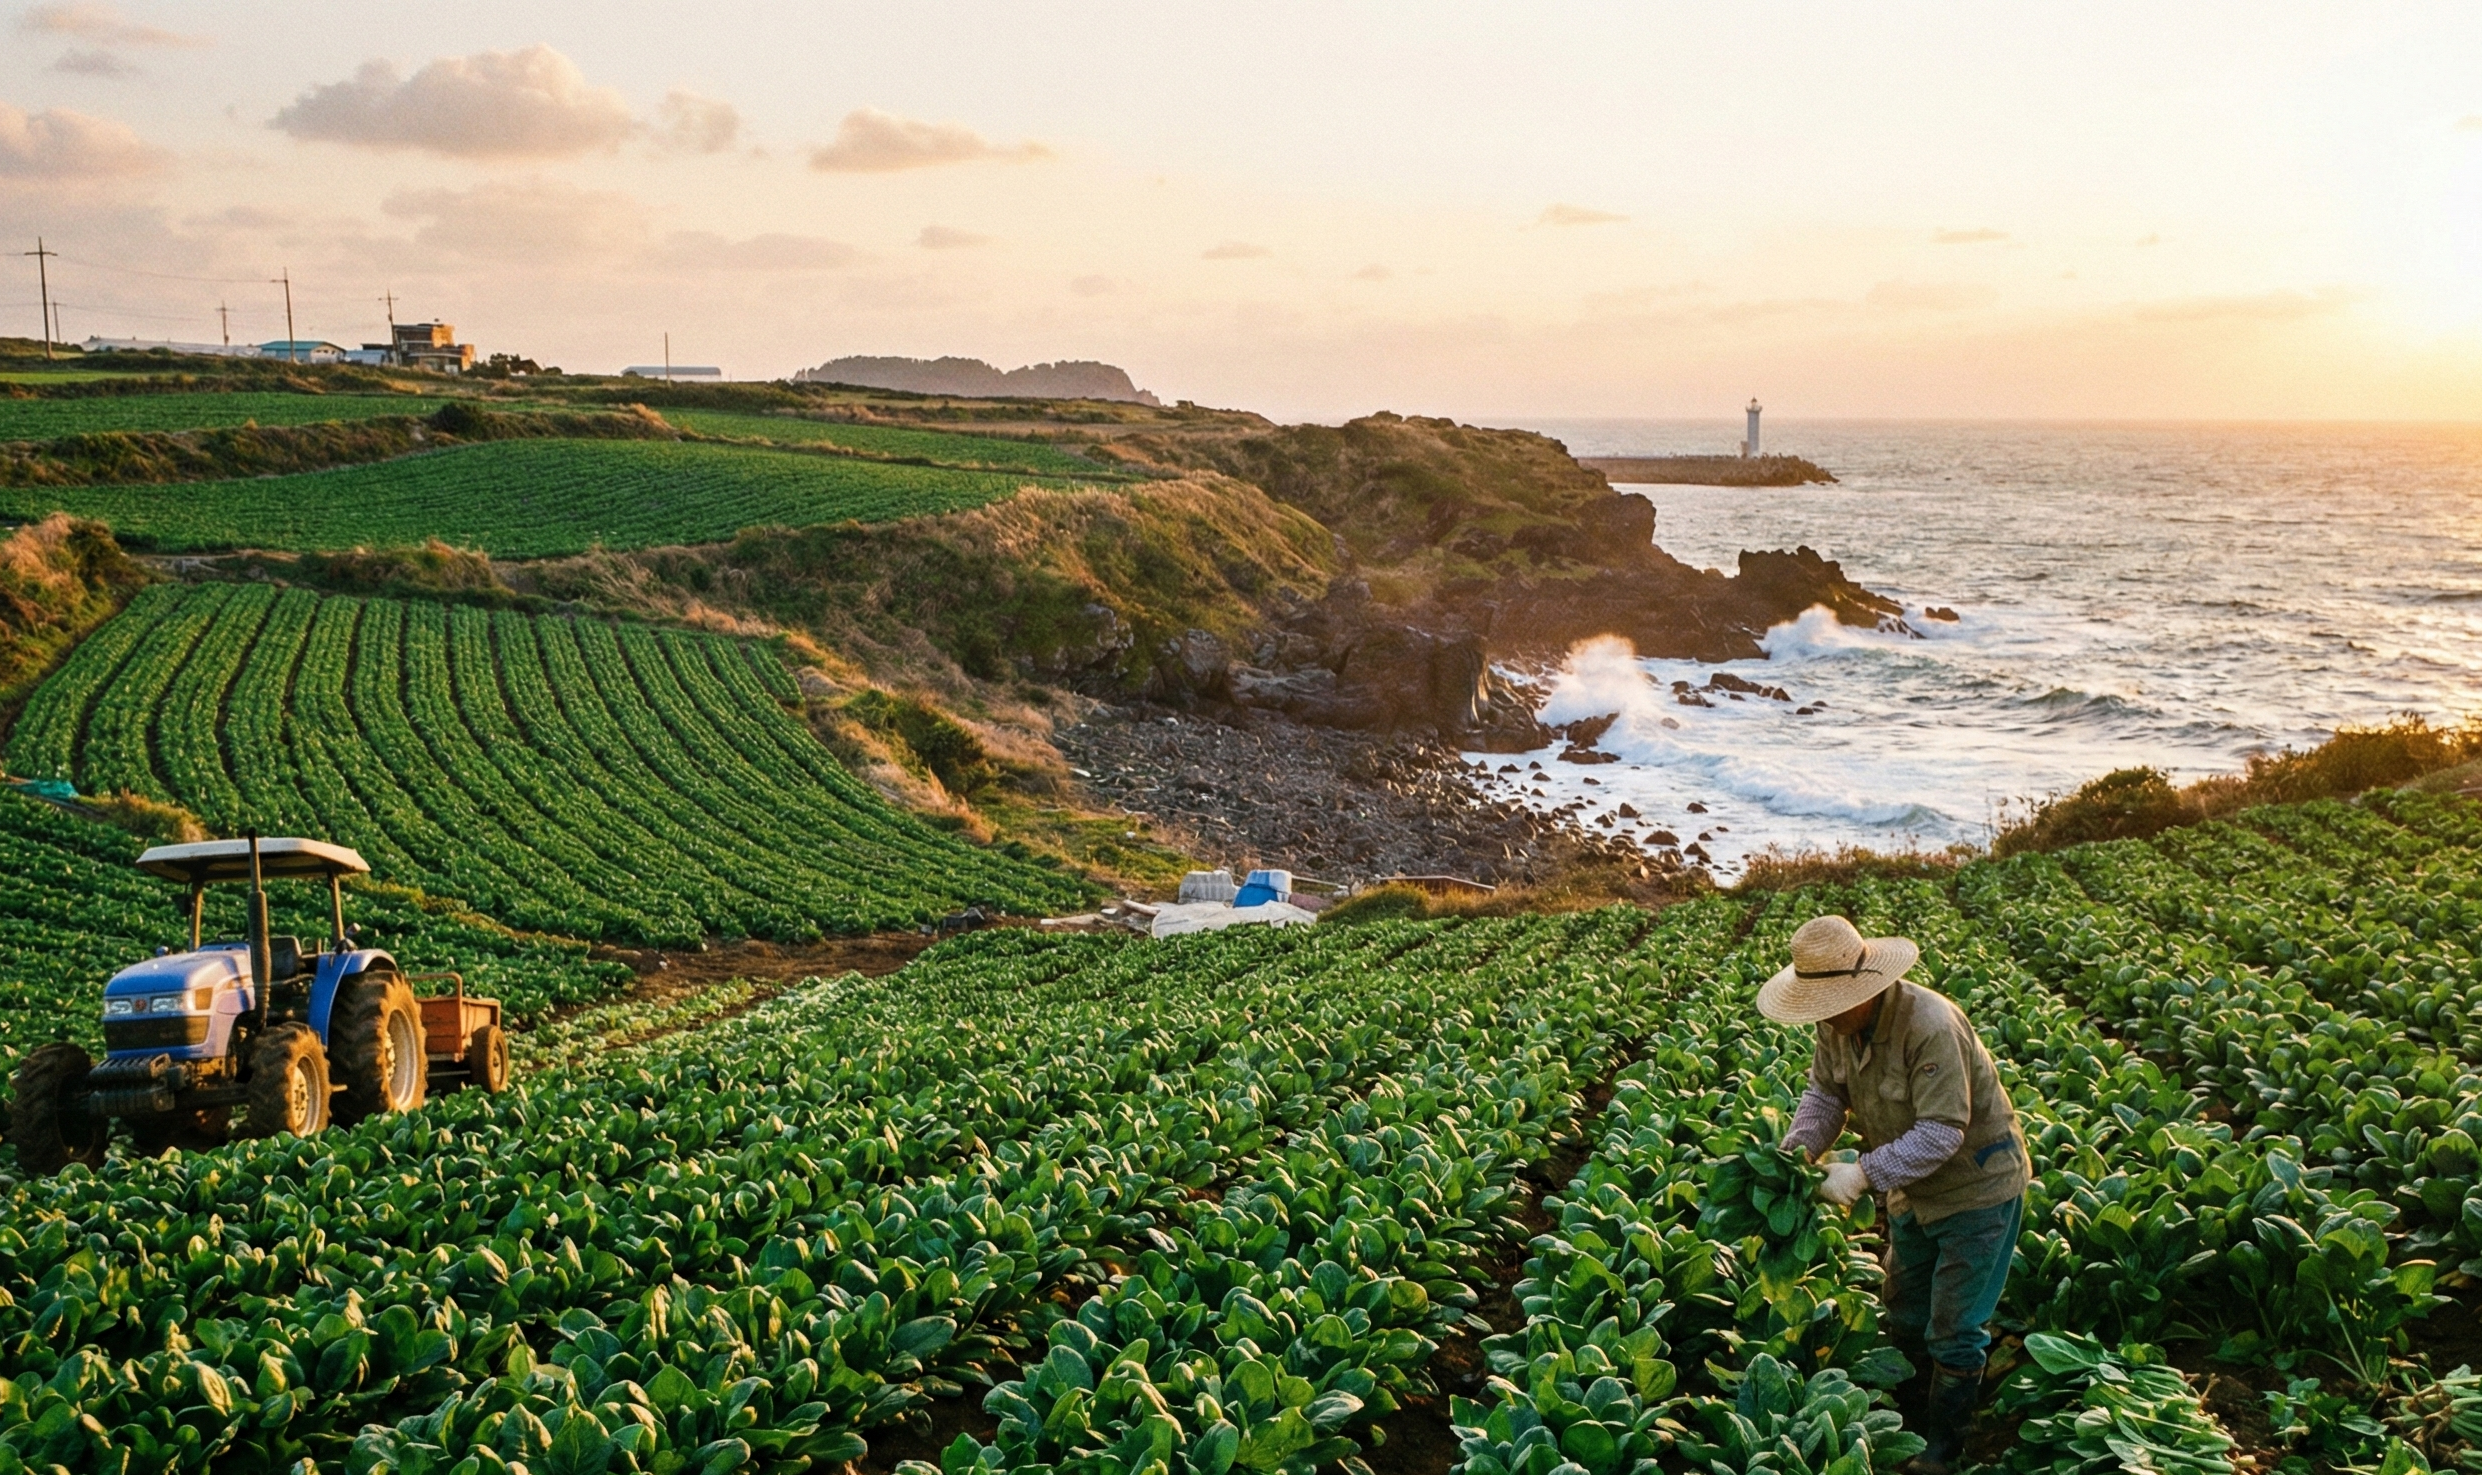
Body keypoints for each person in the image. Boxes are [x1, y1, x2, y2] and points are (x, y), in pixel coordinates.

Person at [1759, 914, 2031, 1475]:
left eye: (1833, 1004)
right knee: (1904, 1312)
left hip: (1977, 1188)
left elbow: (1941, 1132)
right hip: (1912, 1189)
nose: (1825, 1016)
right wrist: (1798, 1152)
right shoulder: (1836, 1026)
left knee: (1954, 1329)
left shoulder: (1929, 1024)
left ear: (1867, 987)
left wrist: (1860, 1174)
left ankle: (1943, 1452)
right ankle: (1905, 1424)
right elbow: (1825, 1094)